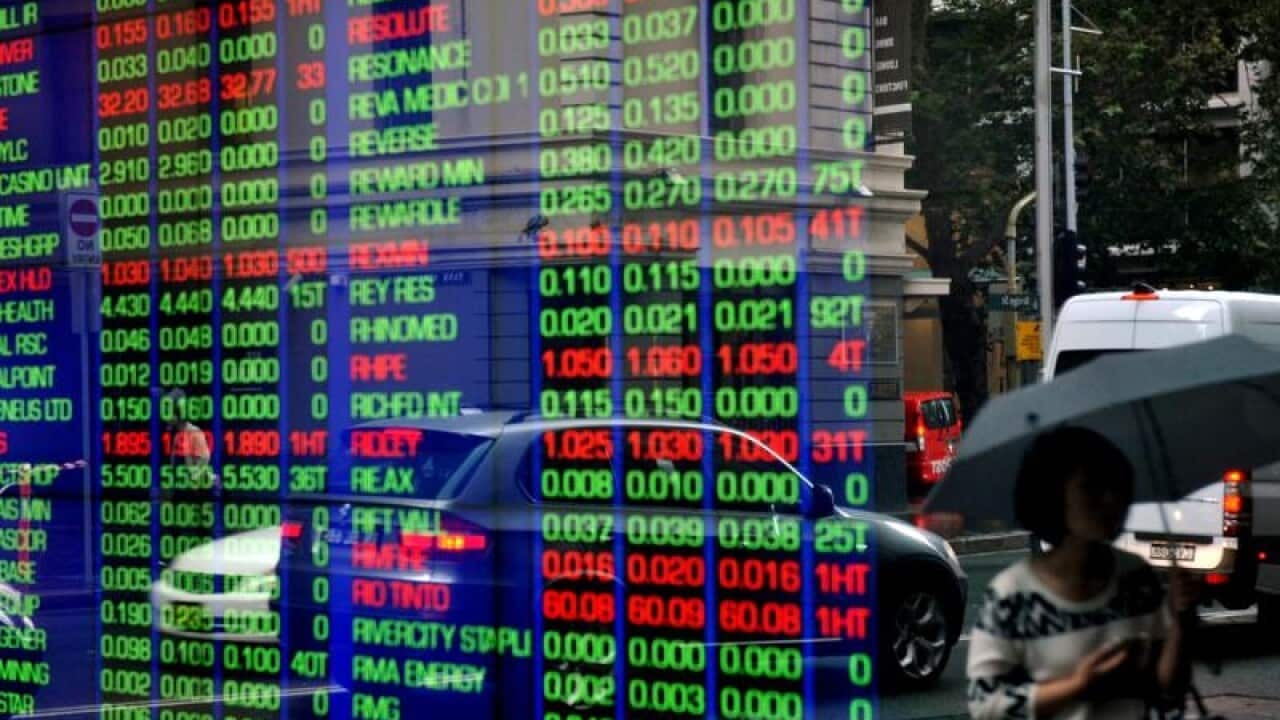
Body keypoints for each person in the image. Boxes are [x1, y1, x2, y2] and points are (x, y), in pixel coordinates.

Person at [967, 426, 1198, 720]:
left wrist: (1182, 618)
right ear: (1053, 496)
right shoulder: (1012, 594)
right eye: (1092, 488)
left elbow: (1169, 687)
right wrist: (1080, 684)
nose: (1111, 500)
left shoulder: (1137, 576)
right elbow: (985, 706)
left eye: (1118, 487)